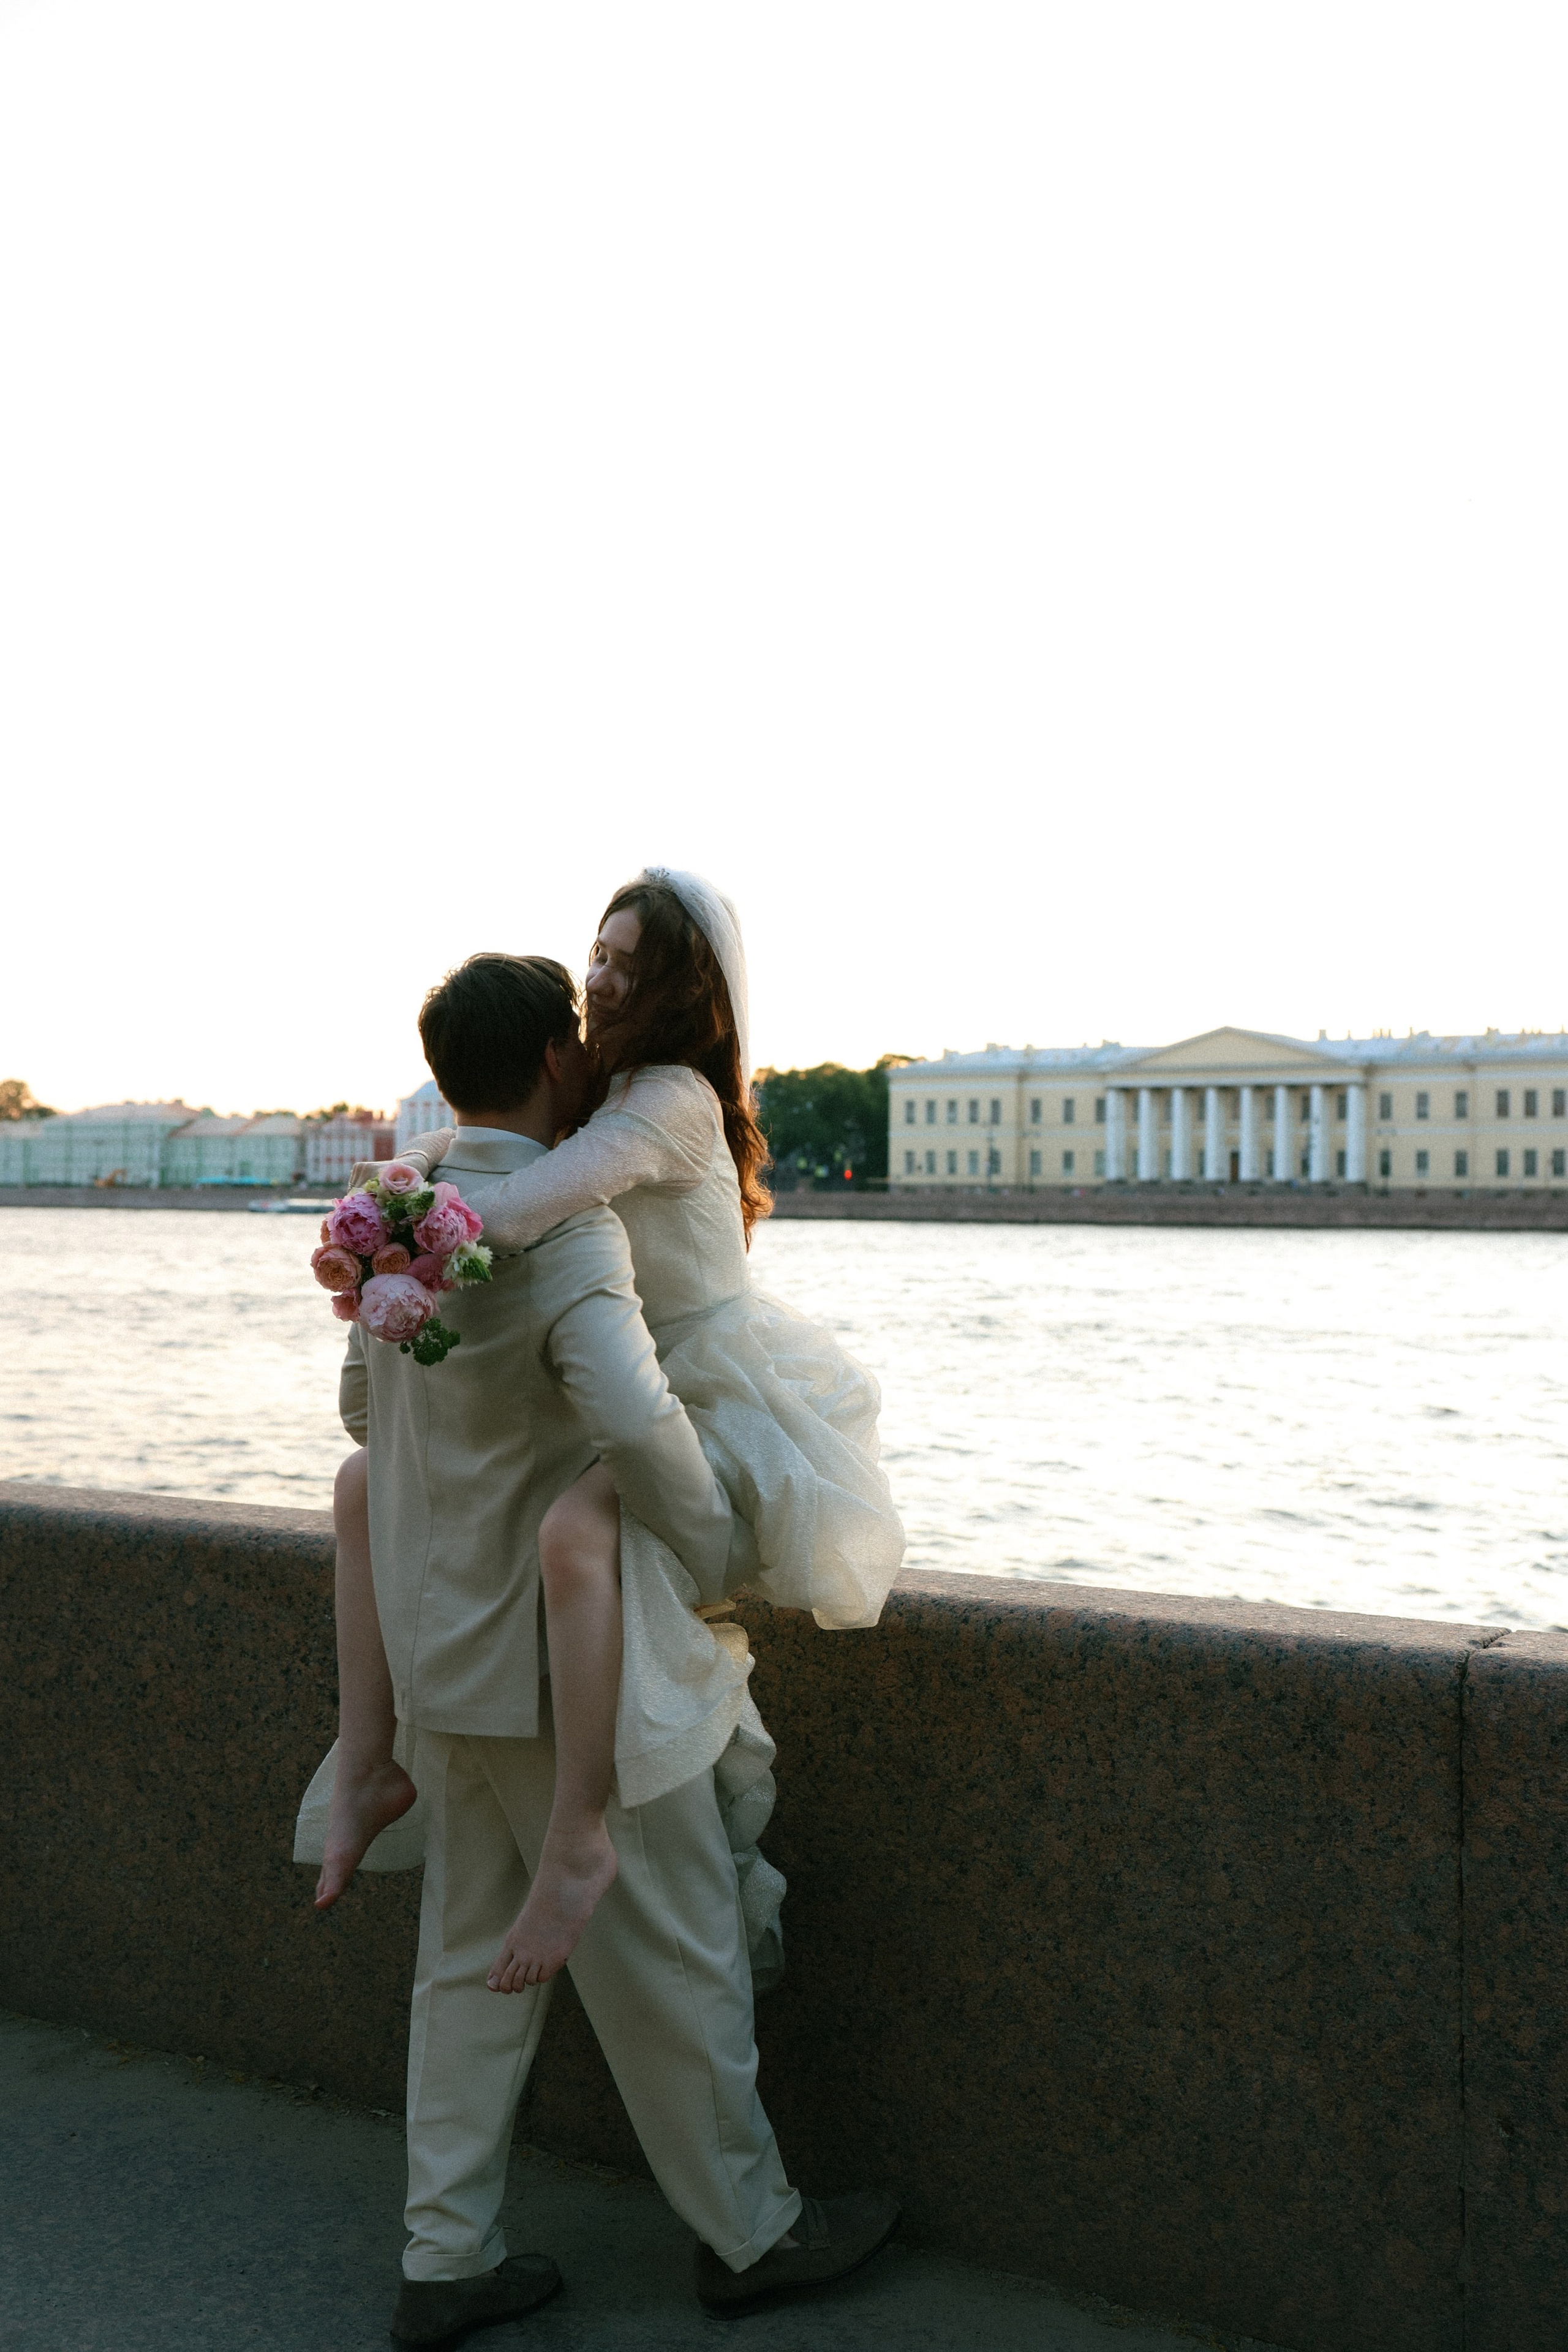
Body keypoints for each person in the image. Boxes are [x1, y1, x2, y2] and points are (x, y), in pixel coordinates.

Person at [325, 949, 899, 2335]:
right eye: (578, 1037)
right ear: (553, 1063)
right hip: (567, 1668)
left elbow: (362, 1415)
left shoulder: (396, 1218)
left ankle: (444, 2259)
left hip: (436, 1660)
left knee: (464, 1971)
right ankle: (753, 2239)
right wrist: (707, 1550)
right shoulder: (562, 1230)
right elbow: (635, 1417)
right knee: (675, 1958)